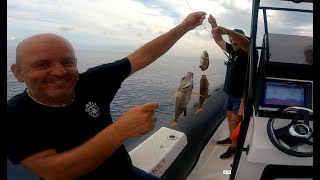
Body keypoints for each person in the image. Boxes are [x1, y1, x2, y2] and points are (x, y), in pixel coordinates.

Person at [6, 11, 207, 179]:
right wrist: (120, 130)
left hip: (126, 174)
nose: (59, 72)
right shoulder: (14, 114)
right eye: (42, 65)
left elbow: (143, 56)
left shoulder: (91, 82)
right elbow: (54, 171)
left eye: (68, 62)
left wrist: (184, 26)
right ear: (18, 73)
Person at [209, 15, 250, 159]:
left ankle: (234, 147)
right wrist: (214, 25)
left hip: (241, 96)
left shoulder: (248, 52)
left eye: (235, 38)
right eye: (231, 39)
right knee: (228, 116)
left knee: (235, 121)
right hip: (230, 94)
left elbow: (244, 42)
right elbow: (218, 39)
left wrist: (227, 31)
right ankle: (231, 138)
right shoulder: (232, 50)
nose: (232, 40)